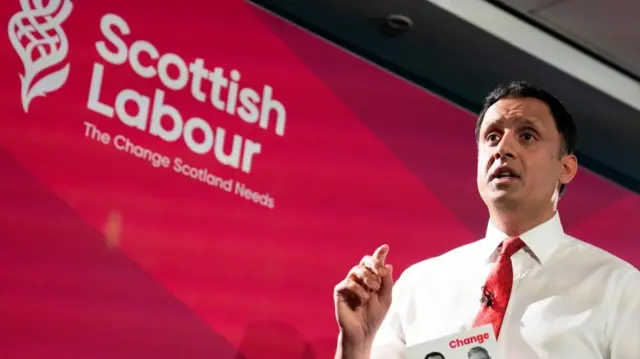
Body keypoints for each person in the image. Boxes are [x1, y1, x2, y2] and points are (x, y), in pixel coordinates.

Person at [333, 81, 639, 359]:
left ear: (566, 167)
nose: (503, 149)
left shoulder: (620, 288)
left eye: (527, 135)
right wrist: (357, 344)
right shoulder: (419, 285)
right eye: (492, 137)